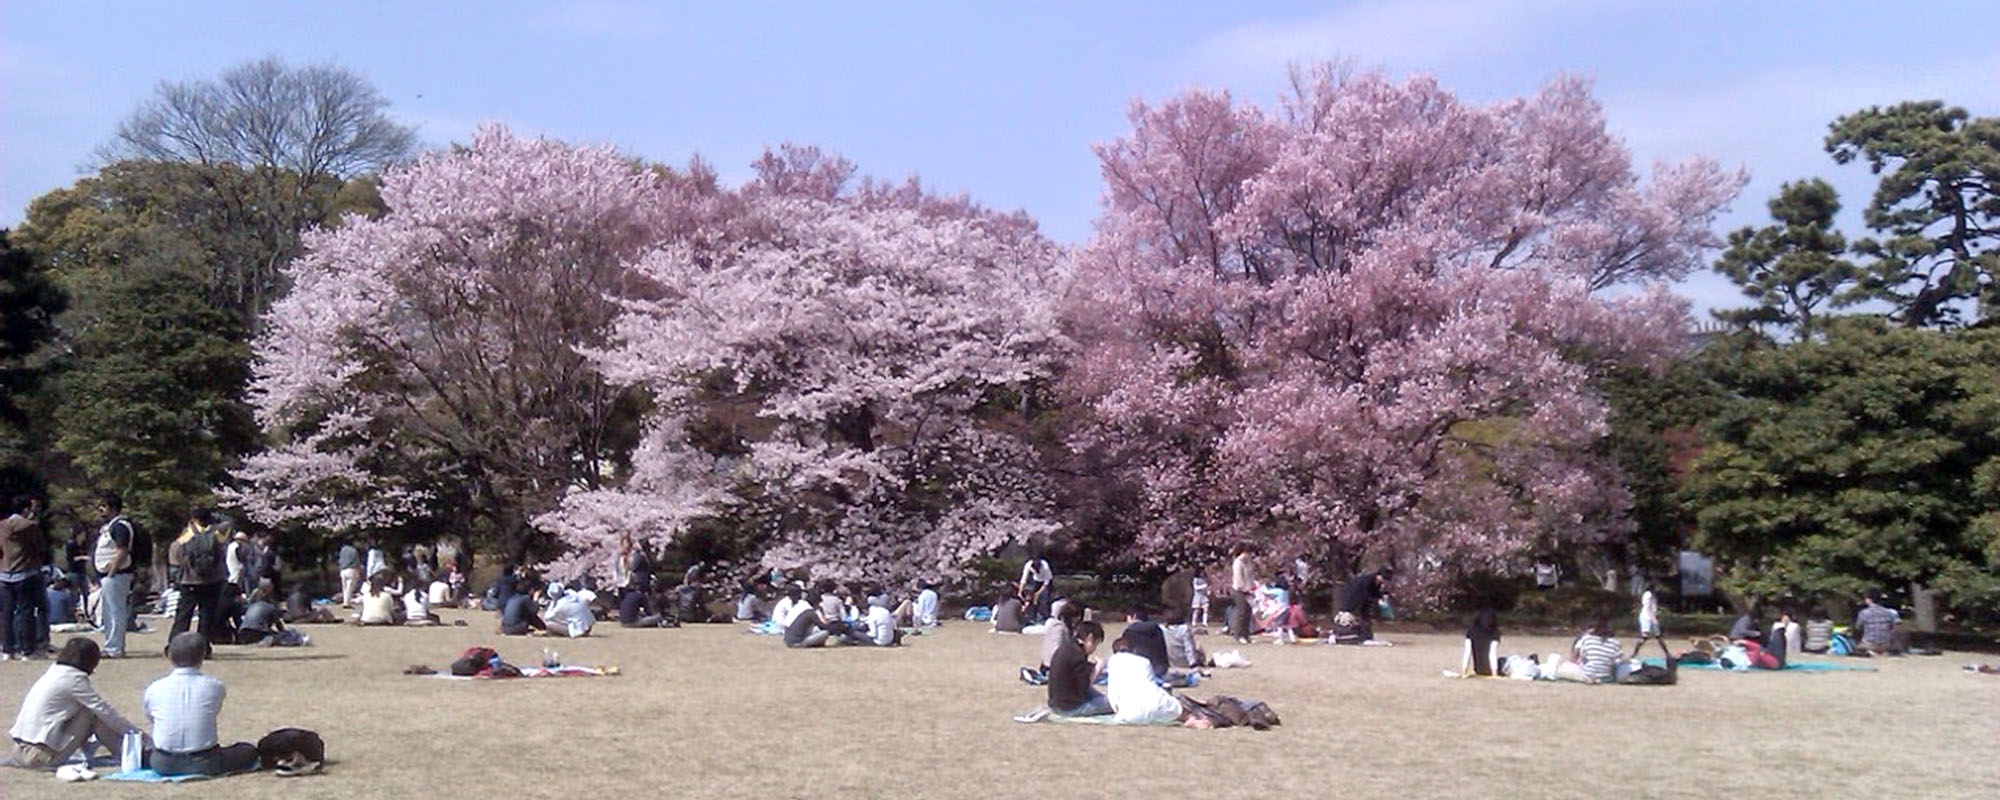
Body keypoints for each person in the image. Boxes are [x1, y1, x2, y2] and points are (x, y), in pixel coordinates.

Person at [7, 638, 146, 769]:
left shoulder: (55, 672)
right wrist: (137, 734)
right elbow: (106, 712)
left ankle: (109, 749)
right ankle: (129, 753)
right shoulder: (73, 679)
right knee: (91, 713)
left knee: (84, 711)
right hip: (39, 757)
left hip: (19, 752)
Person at [144, 633, 258, 776]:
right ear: (203, 656)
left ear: (168, 654)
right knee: (247, 750)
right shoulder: (215, 686)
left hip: (162, 762)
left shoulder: (154, 688)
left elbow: (152, 718)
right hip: (205, 761)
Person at [167, 508, 228, 655]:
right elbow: (228, 524)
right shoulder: (217, 533)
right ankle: (203, 648)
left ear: (194, 518)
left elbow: (175, 551)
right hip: (213, 580)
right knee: (206, 616)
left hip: (189, 580)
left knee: (183, 616)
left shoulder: (188, 533)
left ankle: (174, 645)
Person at [91, 493, 138, 658]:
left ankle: (114, 647)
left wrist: (111, 571)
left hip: (117, 575)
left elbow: (122, 550)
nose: (101, 510)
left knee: (115, 612)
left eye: (103, 506)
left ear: (112, 508)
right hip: (108, 576)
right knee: (108, 612)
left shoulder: (120, 526)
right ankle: (111, 644)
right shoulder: (109, 526)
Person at [1, 496, 49, 660]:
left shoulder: (2, 525)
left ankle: (7, 649)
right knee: (26, 612)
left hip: (5, 573)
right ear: (26, 509)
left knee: (7, 612)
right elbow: (41, 546)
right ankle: (27, 650)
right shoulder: (30, 526)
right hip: (25, 572)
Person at [1106, 635, 1185, 725]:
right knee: (1177, 707)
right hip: (1160, 707)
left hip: (1130, 714)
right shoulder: (1145, 661)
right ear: (1134, 650)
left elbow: (1113, 696)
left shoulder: (1112, 660)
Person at [1046, 621, 1110, 717]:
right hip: (1070, 707)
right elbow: (1085, 686)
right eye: (1096, 644)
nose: (1095, 649)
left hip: (1057, 702)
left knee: (1104, 698)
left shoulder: (1069, 647)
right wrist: (1098, 668)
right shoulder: (1077, 656)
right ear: (1090, 638)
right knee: (1112, 703)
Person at [1330, 568, 1392, 645]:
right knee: (1351, 619)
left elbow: (1375, 593)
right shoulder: (1366, 581)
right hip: (1353, 599)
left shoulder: (1376, 583)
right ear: (1378, 575)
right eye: (1383, 579)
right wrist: (1376, 601)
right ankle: (1341, 635)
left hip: (1363, 603)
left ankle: (1366, 635)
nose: (1383, 581)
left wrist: (1381, 598)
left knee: (1366, 618)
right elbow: (1365, 594)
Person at [1556, 619, 1623, 683]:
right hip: (1606, 677)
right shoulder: (1616, 643)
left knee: (1562, 665)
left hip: (1587, 674)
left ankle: (1591, 678)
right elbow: (1618, 661)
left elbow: (1573, 658)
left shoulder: (1587, 639)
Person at [1122, 606, 1171, 678]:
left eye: (1127, 617)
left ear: (1134, 616)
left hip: (1140, 670)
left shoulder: (1129, 632)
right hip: (1161, 669)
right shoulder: (1157, 629)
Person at [1460, 608, 1501, 677]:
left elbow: (1467, 653)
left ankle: (1465, 671)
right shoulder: (1495, 632)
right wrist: (1494, 674)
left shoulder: (1471, 631)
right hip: (1492, 669)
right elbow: (1492, 654)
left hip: (1478, 670)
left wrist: (1464, 672)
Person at [1228, 545, 1255, 645]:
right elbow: (1238, 578)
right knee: (1241, 612)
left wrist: (1253, 586)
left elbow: (1250, 576)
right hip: (1238, 590)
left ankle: (1246, 634)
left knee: (1248, 611)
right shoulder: (1238, 563)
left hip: (1248, 590)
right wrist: (1244, 588)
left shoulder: (1248, 563)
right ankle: (1238, 635)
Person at [1018, 549, 1053, 625]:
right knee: (1032, 599)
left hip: (1045, 581)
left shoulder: (1045, 566)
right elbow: (1024, 579)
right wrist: (1020, 591)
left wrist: (1039, 593)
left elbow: (1046, 582)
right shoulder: (1028, 565)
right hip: (1036, 581)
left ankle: (1044, 617)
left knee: (1043, 599)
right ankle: (1033, 617)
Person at [336, 539, 362, 607]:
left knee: (344, 588)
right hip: (351, 569)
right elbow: (356, 561)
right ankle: (347, 603)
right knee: (350, 588)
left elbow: (340, 560)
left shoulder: (342, 550)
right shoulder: (354, 550)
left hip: (343, 570)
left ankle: (345, 602)